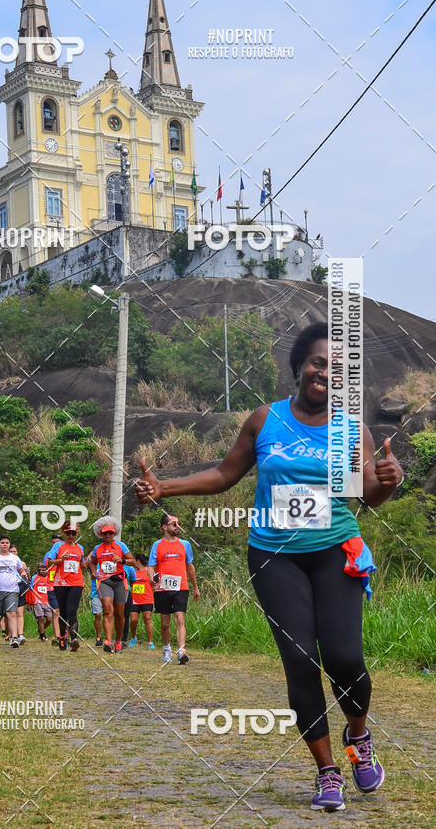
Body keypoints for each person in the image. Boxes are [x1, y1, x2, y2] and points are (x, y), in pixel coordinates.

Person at [136, 322, 404, 812]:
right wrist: (164, 488)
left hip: (335, 550)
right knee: (300, 661)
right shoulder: (266, 419)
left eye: (337, 369)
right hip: (274, 555)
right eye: (318, 362)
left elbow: (369, 496)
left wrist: (389, 479)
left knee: (344, 658)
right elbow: (224, 473)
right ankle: (327, 772)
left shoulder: (352, 431)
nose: (326, 373)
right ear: (300, 366)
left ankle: (358, 737)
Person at [146, 515, 199, 665]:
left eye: (178, 523)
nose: (177, 526)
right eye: (174, 524)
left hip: (181, 587)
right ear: (164, 527)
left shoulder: (185, 544)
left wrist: (195, 587)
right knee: (165, 623)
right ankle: (167, 648)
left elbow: (190, 567)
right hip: (163, 588)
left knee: (180, 618)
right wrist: (151, 577)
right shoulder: (157, 545)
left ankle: (182, 651)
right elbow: (151, 566)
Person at [85, 517, 137, 654]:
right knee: (108, 610)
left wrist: (122, 560)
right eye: (105, 533)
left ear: (114, 533)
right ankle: (108, 641)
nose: (108, 535)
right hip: (104, 582)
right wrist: (93, 572)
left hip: (119, 581)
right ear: (100, 534)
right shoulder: (97, 549)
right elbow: (92, 562)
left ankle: (118, 641)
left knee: (119, 614)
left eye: (110, 533)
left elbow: (133, 562)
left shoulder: (121, 546)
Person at [47, 522, 86, 651]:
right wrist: (61, 560)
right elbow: (49, 562)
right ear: (64, 533)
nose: (71, 536)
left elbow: (82, 564)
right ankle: (62, 638)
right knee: (63, 612)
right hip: (61, 583)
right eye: (68, 533)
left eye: (73, 533)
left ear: (77, 534)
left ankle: (74, 639)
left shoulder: (80, 548)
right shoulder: (58, 546)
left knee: (72, 611)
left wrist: (87, 562)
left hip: (76, 583)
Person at [128, 553, 155, 648]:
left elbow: (155, 582)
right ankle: (133, 637)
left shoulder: (148, 571)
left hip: (147, 599)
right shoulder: (133, 572)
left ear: (138, 561)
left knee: (147, 618)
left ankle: (150, 641)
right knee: (133, 619)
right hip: (134, 599)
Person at [43, 533, 63, 644]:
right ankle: (57, 636)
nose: (55, 545)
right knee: (56, 611)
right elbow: (44, 568)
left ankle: (66, 634)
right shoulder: (48, 555)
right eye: (53, 543)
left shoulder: (66, 553)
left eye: (57, 543)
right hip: (51, 586)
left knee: (64, 612)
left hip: (64, 585)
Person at [10, 545, 29, 645]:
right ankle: (13, 635)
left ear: (17, 552)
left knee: (20, 612)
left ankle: (20, 634)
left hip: (20, 587)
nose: (13, 553)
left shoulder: (22, 563)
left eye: (14, 551)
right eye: (11, 551)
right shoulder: (6, 562)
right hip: (9, 587)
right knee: (11, 613)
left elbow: (26, 576)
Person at [31, 563, 54, 641]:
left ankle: (41, 630)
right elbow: (31, 588)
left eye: (44, 570)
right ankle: (42, 635)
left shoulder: (48, 578)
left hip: (46, 601)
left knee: (49, 619)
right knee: (41, 618)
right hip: (37, 601)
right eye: (41, 570)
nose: (43, 572)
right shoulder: (35, 578)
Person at [121, 563, 137, 649]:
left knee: (125, 616)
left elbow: (133, 580)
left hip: (126, 591)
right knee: (117, 615)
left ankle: (124, 639)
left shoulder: (129, 567)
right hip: (114, 593)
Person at [88, 567, 103, 646]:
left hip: (108, 593)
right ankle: (98, 637)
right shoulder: (94, 565)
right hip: (95, 594)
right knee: (98, 615)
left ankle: (108, 638)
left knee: (108, 614)